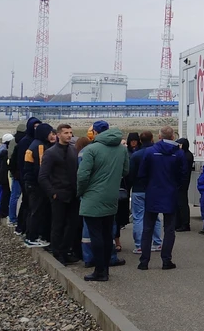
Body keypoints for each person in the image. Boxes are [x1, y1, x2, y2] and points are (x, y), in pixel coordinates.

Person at [76, 120, 129, 282]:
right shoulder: (121, 149)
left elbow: (83, 175)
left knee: (95, 235)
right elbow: (126, 170)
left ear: (96, 133)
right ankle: (105, 268)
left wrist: (80, 192)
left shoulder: (90, 150)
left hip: (92, 197)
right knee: (107, 234)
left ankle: (99, 271)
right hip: (112, 197)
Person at [137, 126, 188, 270]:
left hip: (153, 193)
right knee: (169, 229)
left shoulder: (150, 151)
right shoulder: (178, 154)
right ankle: (166, 260)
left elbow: (142, 173)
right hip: (170, 193)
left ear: (159, 137)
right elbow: (183, 174)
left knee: (147, 228)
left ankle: (144, 261)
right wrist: (175, 186)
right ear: (172, 137)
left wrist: (149, 185)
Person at [38, 124, 80, 265]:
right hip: (59, 194)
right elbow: (43, 176)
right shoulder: (51, 153)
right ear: (58, 134)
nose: (69, 135)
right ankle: (57, 253)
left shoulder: (73, 151)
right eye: (66, 133)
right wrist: (53, 193)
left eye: (70, 132)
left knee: (72, 225)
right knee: (58, 225)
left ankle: (65, 250)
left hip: (73, 194)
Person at [22, 122, 55, 248]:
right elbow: (41, 168)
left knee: (34, 210)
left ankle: (32, 236)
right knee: (36, 211)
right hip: (35, 184)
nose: (52, 136)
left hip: (31, 182)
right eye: (50, 133)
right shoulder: (39, 146)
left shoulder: (35, 143)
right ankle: (32, 238)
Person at [129, 131, 162, 254]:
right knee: (155, 217)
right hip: (153, 189)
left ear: (140, 141)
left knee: (138, 218)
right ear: (152, 139)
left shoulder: (136, 155)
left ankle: (139, 245)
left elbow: (131, 174)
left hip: (138, 189)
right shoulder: (157, 153)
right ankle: (157, 242)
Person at [14, 117, 41, 236]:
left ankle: (24, 227)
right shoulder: (25, 141)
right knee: (27, 204)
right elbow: (21, 162)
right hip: (26, 177)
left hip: (33, 178)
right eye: (34, 126)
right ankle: (22, 227)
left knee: (29, 204)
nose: (36, 129)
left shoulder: (38, 140)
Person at [7, 121, 28, 229]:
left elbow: (10, 158)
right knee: (17, 197)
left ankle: (12, 218)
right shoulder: (22, 142)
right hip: (19, 173)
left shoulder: (13, 141)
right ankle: (13, 218)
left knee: (14, 196)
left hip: (15, 173)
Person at [174, 138, 194, 232]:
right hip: (182, 182)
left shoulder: (186, 156)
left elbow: (183, 170)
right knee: (179, 203)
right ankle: (178, 222)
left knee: (182, 203)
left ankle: (184, 223)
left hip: (182, 182)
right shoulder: (186, 154)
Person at [0, 133, 13, 223]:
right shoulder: (6, 152)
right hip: (6, 176)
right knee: (6, 195)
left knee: (2, 194)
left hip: (2, 175)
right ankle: (3, 212)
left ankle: (0, 211)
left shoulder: (0, 150)